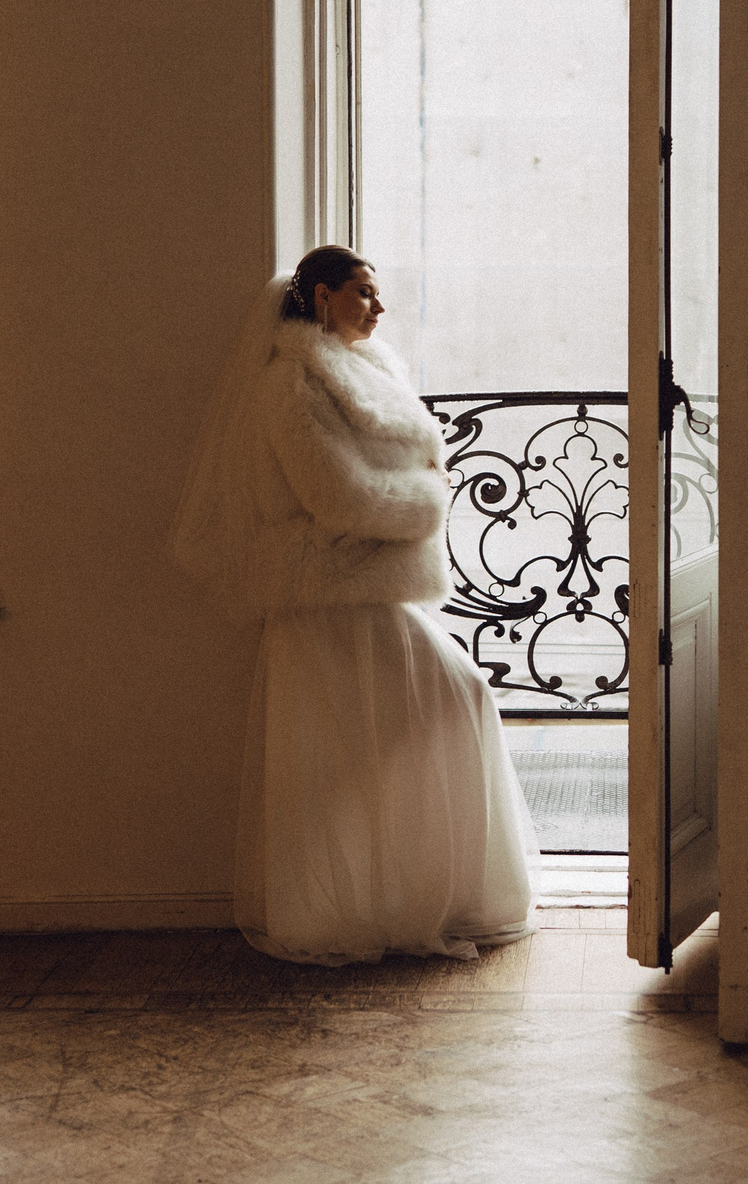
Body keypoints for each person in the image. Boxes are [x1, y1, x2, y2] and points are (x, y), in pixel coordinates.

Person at [172, 245, 537, 965]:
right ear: (319, 297)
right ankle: (350, 910)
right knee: (353, 752)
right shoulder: (288, 386)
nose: (378, 306)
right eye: (363, 292)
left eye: (377, 293)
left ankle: (412, 896)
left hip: (362, 586)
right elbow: (334, 494)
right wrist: (430, 501)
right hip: (329, 595)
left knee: (391, 741)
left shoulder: (365, 369)